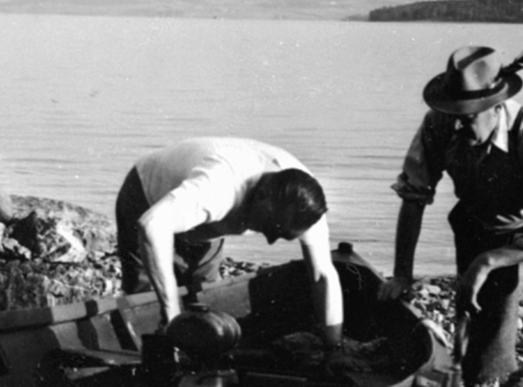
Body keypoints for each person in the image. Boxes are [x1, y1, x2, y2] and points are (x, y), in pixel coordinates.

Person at [378, 46, 523, 387]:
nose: (457, 123)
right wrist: (401, 274)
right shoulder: (439, 123)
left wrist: (487, 262)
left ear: (496, 107)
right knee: (485, 357)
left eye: (468, 115)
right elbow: (414, 197)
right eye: (452, 112)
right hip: (481, 222)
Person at [114, 136, 354, 366]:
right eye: (270, 229)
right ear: (261, 196)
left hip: (207, 218)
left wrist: (334, 349)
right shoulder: (218, 187)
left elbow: (322, 275)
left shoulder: (304, 208)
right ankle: (151, 362)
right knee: (146, 299)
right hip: (147, 192)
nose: (270, 242)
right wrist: (171, 311)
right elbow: (152, 224)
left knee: (202, 293)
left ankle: (196, 362)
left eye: (281, 237)